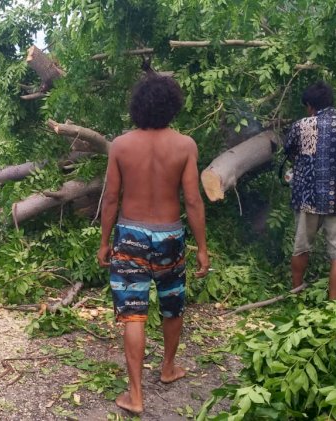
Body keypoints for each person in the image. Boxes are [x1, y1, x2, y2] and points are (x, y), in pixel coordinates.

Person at [98, 75, 210, 414]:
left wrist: (105, 242)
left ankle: (135, 395)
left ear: (138, 107)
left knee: (134, 314)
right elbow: (192, 200)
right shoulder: (185, 145)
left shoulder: (120, 145)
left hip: (130, 235)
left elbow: (111, 198)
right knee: (171, 304)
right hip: (170, 236)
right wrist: (202, 247)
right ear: (172, 106)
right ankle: (168, 368)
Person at [284, 81, 336, 300]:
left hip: (307, 197)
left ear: (309, 105)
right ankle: (333, 307)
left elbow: (290, 153)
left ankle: (296, 294)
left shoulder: (301, 126)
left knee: (301, 247)